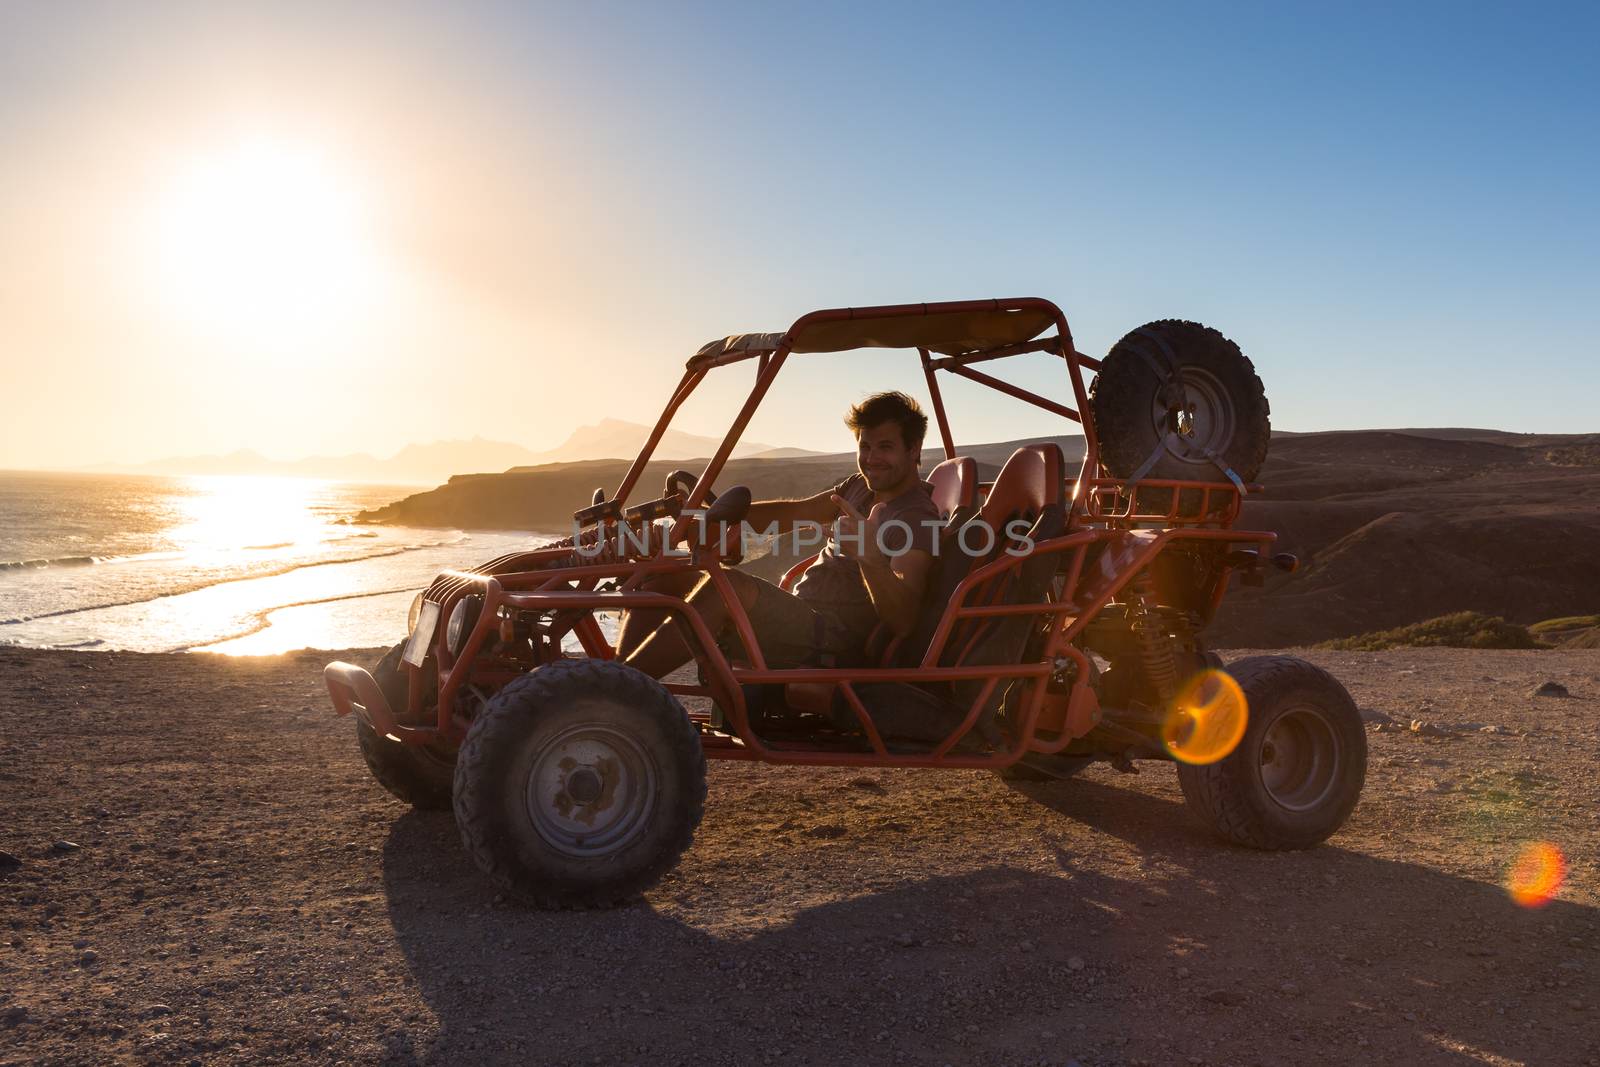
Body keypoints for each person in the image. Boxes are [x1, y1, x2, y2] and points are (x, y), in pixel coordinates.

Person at [620, 391, 942, 676]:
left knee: (726, 588)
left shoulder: (916, 516)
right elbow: (795, 513)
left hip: (835, 641)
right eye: (865, 446)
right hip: (802, 615)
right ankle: (615, 678)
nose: (871, 459)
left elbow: (904, 620)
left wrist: (871, 559)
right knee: (667, 574)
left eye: (885, 447)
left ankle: (615, 691)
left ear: (914, 450)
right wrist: (712, 518)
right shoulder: (859, 487)